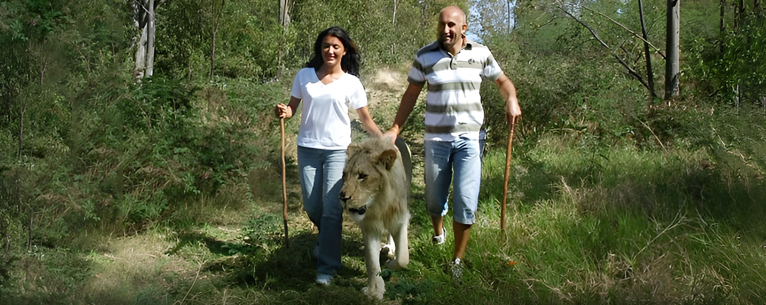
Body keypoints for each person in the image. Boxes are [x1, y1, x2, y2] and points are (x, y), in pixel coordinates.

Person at [382, 6, 521, 277]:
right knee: (434, 201)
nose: (446, 30)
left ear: (463, 28)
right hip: (436, 139)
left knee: (466, 201)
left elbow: (503, 81)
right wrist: (396, 128)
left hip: (471, 139)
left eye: (451, 25)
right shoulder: (425, 56)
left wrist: (511, 100)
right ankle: (438, 232)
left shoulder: (480, 53)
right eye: (442, 24)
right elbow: (411, 93)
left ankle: (457, 261)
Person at [275, 26, 382, 286]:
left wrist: (384, 141)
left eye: (335, 46)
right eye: (326, 46)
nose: (330, 50)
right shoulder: (304, 76)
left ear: (345, 50)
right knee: (313, 207)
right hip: (308, 148)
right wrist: (284, 112)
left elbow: (364, 118)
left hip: (337, 150)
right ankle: (327, 239)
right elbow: (292, 108)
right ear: (319, 49)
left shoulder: (352, 83)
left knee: (333, 210)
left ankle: (327, 268)